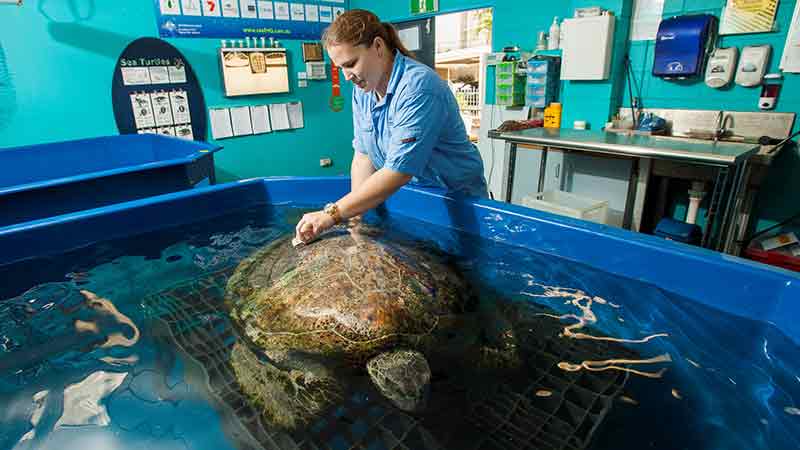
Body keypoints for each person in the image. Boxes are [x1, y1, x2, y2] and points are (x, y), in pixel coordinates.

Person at [295, 9, 488, 244]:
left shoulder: (419, 87)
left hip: (456, 204)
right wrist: (356, 224)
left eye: (351, 64)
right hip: (411, 199)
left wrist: (332, 214)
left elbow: (398, 171)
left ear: (378, 46)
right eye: (340, 68)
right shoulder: (363, 92)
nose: (347, 76)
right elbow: (363, 158)